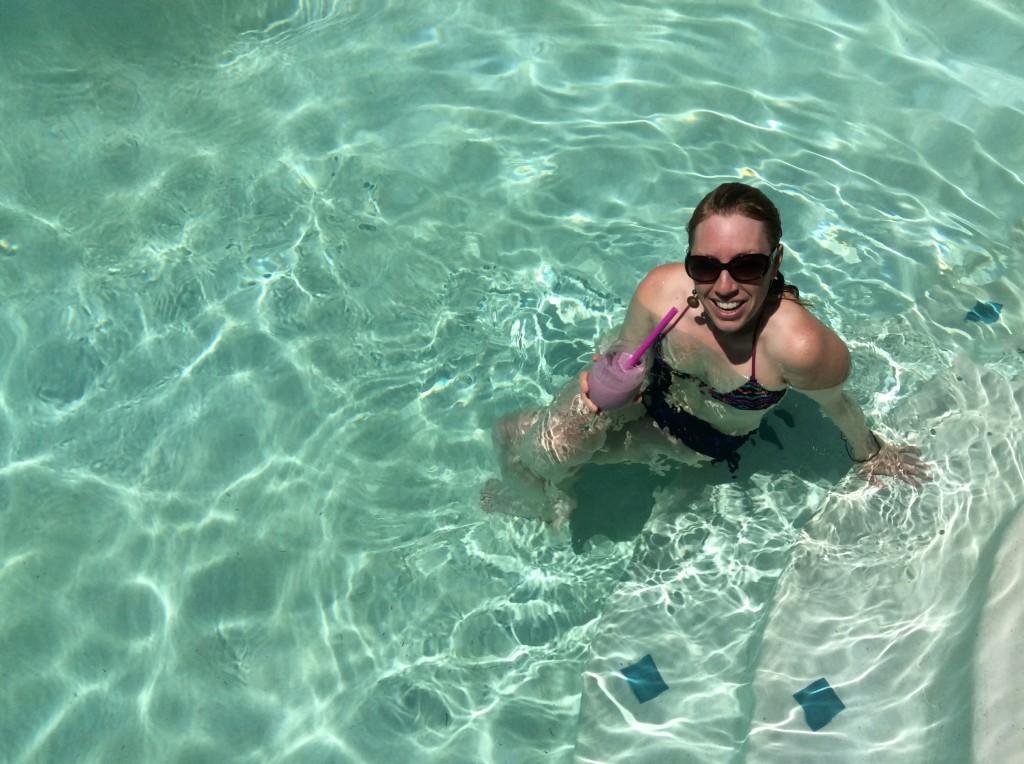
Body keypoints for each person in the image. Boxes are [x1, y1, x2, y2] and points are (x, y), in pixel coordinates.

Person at [482, 182, 930, 526]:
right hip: (648, 398)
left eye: (748, 265)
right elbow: (624, 354)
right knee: (512, 435)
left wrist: (870, 454)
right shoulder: (662, 291)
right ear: (689, 260)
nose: (725, 287)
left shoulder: (796, 346)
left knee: (539, 455)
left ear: (775, 261)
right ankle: (550, 494)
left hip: (693, 438)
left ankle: (549, 502)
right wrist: (598, 391)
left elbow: (839, 405)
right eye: (705, 266)